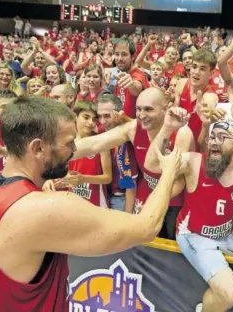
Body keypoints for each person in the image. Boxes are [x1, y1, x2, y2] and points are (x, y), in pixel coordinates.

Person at [0, 96, 182, 311]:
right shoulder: (44, 209)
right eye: (69, 143)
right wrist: (169, 171)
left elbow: (94, 144)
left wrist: (140, 125)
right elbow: (147, 227)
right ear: (37, 149)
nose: (75, 150)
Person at [145, 114, 233, 312]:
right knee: (228, 291)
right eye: (212, 137)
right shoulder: (193, 163)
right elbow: (151, 165)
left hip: (224, 234)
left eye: (222, 138)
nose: (214, 142)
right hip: (192, 234)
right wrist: (167, 128)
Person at [70, 87, 193, 239]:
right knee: (140, 242)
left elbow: (178, 182)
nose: (142, 115)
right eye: (138, 109)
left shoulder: (182, 132)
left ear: (165, 108)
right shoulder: (134, 128)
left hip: (174, 200)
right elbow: (94, 144)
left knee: (169, 246)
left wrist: (154, 203)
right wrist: (58, 152)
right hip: (146, 195)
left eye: (148, 109)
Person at [43, 101, 112, 207]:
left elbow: (108, 178)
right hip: (68, 199)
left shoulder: (101, 142)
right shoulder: (64, 140)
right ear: (75, 116)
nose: (90, 123)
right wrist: (49, 181)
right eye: (86, 117)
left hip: (95, 200)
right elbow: (54, 170)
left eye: (94, 119)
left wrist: (83, 179)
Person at [96, 93, 138, 212]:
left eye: (107, 116)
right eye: (99, 116)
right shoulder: (102, 133)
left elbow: (131, 185)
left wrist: (127, 215)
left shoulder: (127, 140)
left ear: (118, 114)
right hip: (104, 195)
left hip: (121, 199)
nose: (102, 121)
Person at [113, 37, 149, 118]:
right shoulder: (121, 73)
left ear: (133, 57)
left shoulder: (139, 75)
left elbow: (136, 88)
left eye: (124, 54)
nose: (119, 58)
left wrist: (132, 85)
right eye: (117, 54)